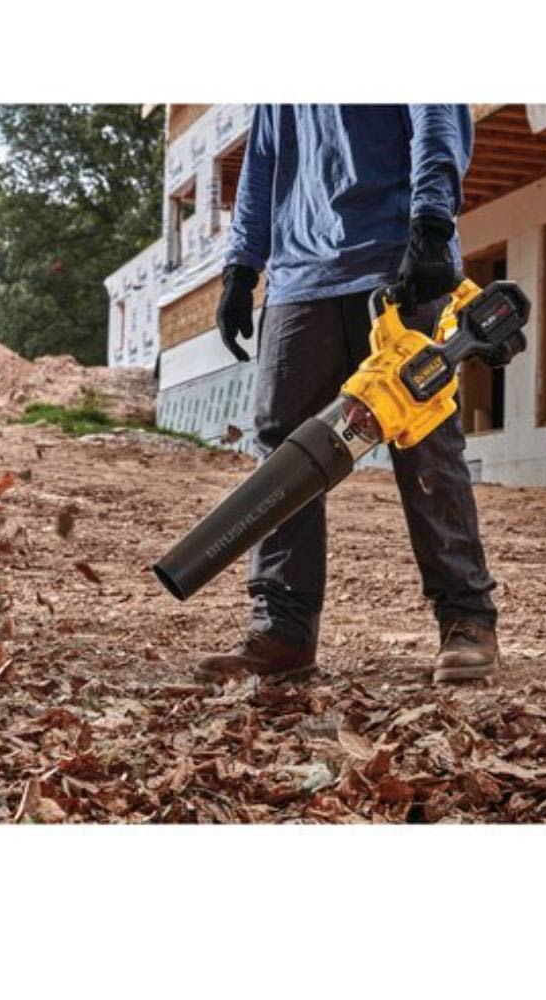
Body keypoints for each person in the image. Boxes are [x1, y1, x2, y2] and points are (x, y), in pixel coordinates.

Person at [199, 104, 499, 685]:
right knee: (283, 451)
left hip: (396, 260)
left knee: (427, 443)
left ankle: (467, 619)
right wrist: (241, 265)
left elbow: (436, 115)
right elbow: (262, 166)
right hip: (298, 279)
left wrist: (432, 222)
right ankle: (283, 630)